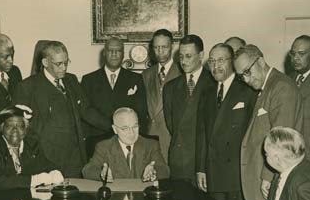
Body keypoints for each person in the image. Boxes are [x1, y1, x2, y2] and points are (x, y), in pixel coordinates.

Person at [13, 41, 110, 177]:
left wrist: (113, 125)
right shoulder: (28, 87)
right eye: (59, 64)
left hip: (75, 158)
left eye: (66, 62)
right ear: (45, 63)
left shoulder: (71, 80)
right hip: (46, 159)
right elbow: (20, 126)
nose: (64, 68)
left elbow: (86, 110)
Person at [234, 44, 303, 200]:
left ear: (260, 60)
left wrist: (268, 176)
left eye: (247, 71)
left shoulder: (281, 87)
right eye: (241, 76)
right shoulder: (268, 86)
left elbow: (282, 140)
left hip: (272, 177)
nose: (246, 79)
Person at [196, 43, 256, 200]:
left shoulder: (247, 90)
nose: (216, 66)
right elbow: (202, 134)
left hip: (238, 174)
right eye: (212, 61)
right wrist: (201, 168)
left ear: (232, 62)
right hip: (213, 172)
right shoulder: (207, 93)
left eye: (221, 60)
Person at [0, 105, 64, 200]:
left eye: (20, 126)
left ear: (25, 129)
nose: (15, 130)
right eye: (9, 126)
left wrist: (55, 172)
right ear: (2, 128)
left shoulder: (32, 145)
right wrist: (34, 180)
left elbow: (46, 165)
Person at [81, 37, 148, 155]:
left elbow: (141, 111)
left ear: (123, 54)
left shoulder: (135, 79)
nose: (114, 54)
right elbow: (86, 111)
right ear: (104, 53)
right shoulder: (88, 80)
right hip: (97, 140)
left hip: (127, 141)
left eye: (118, 51)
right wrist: (112, 126)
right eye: (110, 50)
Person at [163, 34, 214, 182]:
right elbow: (172, 125)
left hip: (205, 162)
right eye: (181, 56)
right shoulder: (170, 87)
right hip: (180, 160)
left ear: (201, 55)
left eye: (188, 56)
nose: (183, 61)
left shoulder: (213, 83)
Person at [82, 108, 169, 182]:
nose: (131, 133)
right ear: (115, 129)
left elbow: (165, 170)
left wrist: (154, 172)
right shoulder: (104, 147)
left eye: (135, 127)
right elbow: (87, 171)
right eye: (125, 128)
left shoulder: (150, 145)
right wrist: (102, 174)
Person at [142, 29, 181, 162]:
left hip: (172, 138)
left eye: (164, 47)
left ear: (172, 47)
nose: (160, 51)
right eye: (156, 47)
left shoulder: (182, 73)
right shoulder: (146, 74)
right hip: (150, 138)